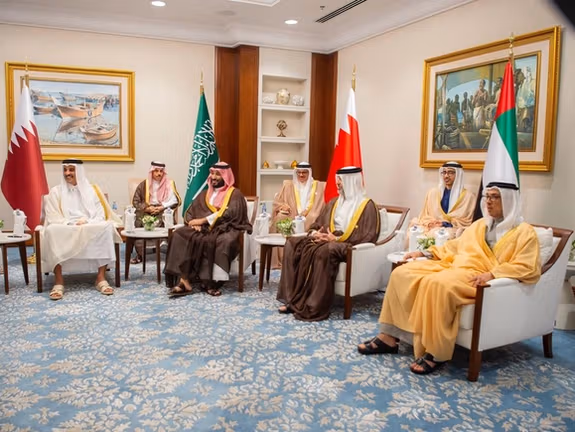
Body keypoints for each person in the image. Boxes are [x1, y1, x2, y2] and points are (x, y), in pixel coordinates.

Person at [358, 182, 541, 375]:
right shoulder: (480, 225)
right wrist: (424, 253)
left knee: (438, 284)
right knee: (402, 273)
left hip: (480, 277)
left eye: (495, 197)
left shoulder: (524, 232)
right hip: (456, 265)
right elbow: (455, 246)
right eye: (487, 196)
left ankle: (437, 352)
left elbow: (528, 266)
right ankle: (389, 335)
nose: (488, 201)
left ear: (509, 200)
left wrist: (493, 274)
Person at [277, 166, 380, 321]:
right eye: (337, 179)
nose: (337, 183)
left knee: (323, 251)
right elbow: (318, 224)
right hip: (328, 239)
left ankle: (313, 305)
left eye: (341, 180)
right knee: (293, 243)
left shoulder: (367, 206)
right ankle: (292, 299)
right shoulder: (334, 202)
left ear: (351, 181)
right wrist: (315, 233)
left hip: (348, 245)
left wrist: (336, 239)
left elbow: (368, 236)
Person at [164, 162, 252, 297]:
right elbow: (190, 213)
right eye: (212, 174)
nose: (214, 177)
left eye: (218, 174)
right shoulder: (205, 193)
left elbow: (231, 214)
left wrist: (204, 220)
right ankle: (184, 279)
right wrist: (194, 223)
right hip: (203, 229)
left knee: (218, 241)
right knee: (179, 234)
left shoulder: (235, 194)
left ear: (226, 176)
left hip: (225, 228)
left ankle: (210, 282)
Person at [41, 159, 122, 300]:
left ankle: (100, 278)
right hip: (65, 226)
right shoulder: (56, 192)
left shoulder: (93, 190)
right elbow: (52, 216)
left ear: (79, 171)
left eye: (71, 169)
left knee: (106, 227)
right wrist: (69, 223)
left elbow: (100, 215)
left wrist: (87, 221)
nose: (67, 173)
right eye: (65, 170)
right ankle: (59, 281)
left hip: (88, 224)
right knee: (52, 230)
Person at [270, 162, 326, 268]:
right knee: (281, 217)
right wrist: (282, 206)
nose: (301, 175)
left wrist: (308, 212)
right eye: (299, 172)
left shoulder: (319, 186)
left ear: (309, 173)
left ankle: (305, 256)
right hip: (292, 214)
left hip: (309, 215)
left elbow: (323, 204)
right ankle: (284, 257)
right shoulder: (288, 185)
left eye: (304, 172)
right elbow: (277, 202)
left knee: (313, 216)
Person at [408, 161, 476, 240]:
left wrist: (444, 224)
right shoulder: (433, 193)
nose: (446, 176)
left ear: (458, 175)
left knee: (442, 235)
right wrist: (432, 223)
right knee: (413, 228)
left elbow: (467, 221)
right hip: (432, 225)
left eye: (450, 172)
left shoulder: (468, 197)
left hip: (452, 228)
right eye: (444, 172)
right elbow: (425, 215)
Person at [131, 161, 181, 263]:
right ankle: (140, 254)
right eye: (156, 171)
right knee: (140, 220)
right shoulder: (144, 185)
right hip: (146, 210)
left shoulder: (169, 184)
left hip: (162, 209)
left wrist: (161, 207)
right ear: (152, 172)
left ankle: (166, 248)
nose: (159, 173)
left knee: (166, 219)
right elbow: (135, 201)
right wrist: (147, 208)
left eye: (161, 171)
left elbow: (175, 200)